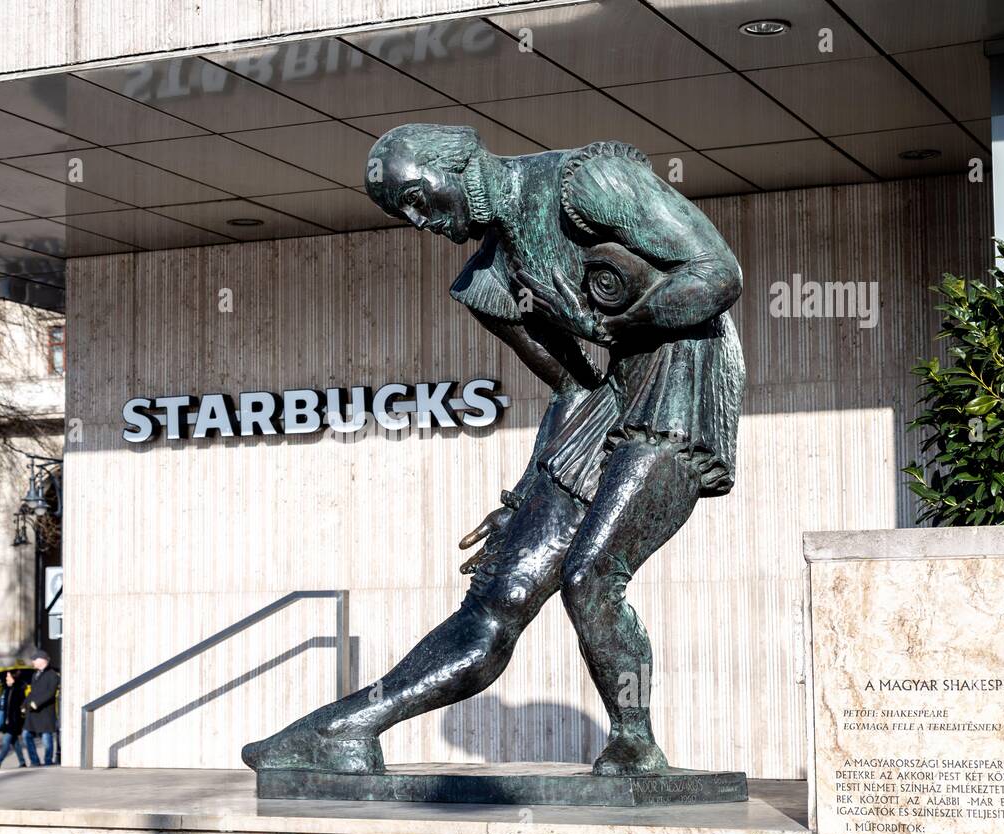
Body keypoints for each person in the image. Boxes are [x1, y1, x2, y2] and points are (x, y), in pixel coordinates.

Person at [244, 124, 744, 776]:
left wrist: (620, 325)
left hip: (679, 380)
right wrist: (528, 493)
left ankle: (635, 746)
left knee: (590, 576)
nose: (421, 220)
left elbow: (715, 273)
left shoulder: (587, 181)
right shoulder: (489, 283)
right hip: (606, 401)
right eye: (405, 214)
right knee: (497, 598)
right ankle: (342, 729)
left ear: (455, 162)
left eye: (418, 198)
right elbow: (572, 383)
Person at [22, 651, 59, 766]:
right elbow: (32, 692)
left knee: (46, 737)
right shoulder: (35, 674)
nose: (33, 661)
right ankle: (34, 761)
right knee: (26, 735)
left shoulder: (52, 675)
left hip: (45, 712)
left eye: (35, 659)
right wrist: (24, 705)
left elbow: (50, 693)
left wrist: (37, 703)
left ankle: (48, 761)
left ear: (43, 660)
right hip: (33, 712)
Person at [0, 670, 28, 768]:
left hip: (14, 722)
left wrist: (13, 721)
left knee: (6, 743)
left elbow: (17, 708)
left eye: (8, 677)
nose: (6, 678)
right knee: (15, 742)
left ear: (13, 678)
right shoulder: (7, 689)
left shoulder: (17, 691)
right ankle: (22, 762)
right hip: (8, 721)